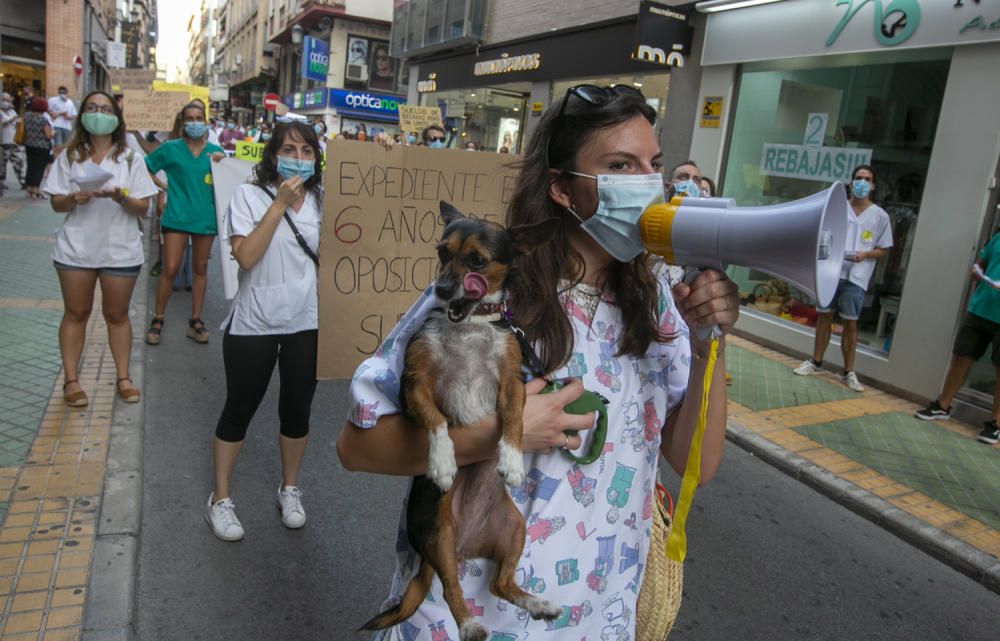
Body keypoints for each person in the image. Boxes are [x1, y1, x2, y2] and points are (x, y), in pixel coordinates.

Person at [337, 84, 738, 637]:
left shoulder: (659, 304)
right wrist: (504, 433)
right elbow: (356, 447)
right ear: (562, 189)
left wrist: (707, 341)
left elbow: (698, 459)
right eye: (620, 165)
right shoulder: (480, 294)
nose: (647, 184)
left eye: (654, 165)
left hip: (596, 619)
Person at [204, 120, 324, 540]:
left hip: (307, 323)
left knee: (297, 412)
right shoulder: (248, 196)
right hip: (253, 323)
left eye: (307, 150)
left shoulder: (324, 201)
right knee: (239, 409)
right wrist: (277, 207)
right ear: (273, 155)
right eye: (290, 149)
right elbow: (247, 257)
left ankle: (289, 488)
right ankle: (220, 498)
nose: (299, 157)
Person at [41, 90, 158, 406]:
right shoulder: (68, 155)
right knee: (76, 312)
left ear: (116, 117)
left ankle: (123, 378)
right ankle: (71, 381)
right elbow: (55, 203)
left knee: (117, 314)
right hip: (75, 249)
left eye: (106, 109)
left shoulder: (131, 157)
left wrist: (121, 197)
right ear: (82, 114)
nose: (99, 113)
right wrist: (72, 198)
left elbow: (142, 208)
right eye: (92, 107)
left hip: (120, 250)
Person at [794, 165, 892, 392]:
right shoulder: (838, 209)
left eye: (867, 179)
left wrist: (866, 255)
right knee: (824, 317)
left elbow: (884, 248)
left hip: (856, 276)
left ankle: (848, 371)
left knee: (850, 322)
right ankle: (816, 361)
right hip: (831, 271)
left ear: (873, 185)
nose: (862, 183)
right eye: (858, 178)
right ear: (851, 182)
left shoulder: (880, 216)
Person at [143, 102, 225, 346]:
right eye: (189, 118)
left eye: (199, 117)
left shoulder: (215, 151)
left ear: (206, 121)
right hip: (176, 217)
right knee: (170, 268)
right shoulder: (170, 148)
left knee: (200, 269)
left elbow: (228, 181)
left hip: (204, 219)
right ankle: (158, 318)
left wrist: (223, 163)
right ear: (183, 122)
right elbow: (145, 167)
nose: (194, 122)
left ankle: (195, 321)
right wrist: (162, 187)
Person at [916, 231, 1000, 445]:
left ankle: (995, 424)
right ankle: (942, 405)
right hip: (979, 309)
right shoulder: (998, 238)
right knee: (961, 356)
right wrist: (977, 271)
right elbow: (979, 264)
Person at [22, 97, 53, 200]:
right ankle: (35, 189)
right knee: (39, 168)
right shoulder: (43, 119)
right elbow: (48, 135)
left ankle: (28, 188)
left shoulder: (26, 116)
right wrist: (54, 133)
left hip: (29, 144)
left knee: (30, 166)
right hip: (42, 146)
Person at [0, 93, 25, 192]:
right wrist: (13, 119)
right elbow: (3, 123)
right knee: (2, 164)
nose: (6, 102)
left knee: (18, 161)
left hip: (13, 142)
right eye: (3, 99)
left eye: (7, 100)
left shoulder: (12, 112)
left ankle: (23, 182)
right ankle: (1, 182)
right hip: (3, 142)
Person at [48, 86, 77, 153]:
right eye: (60, 92)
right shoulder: (53, 100)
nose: (62, 94)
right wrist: (60, 114)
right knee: (57, 145)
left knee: (65, 146)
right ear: (58, 92)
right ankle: (56, 160)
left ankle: (62, 160)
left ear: (67, 93)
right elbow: (49, 111)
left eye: (64, 92)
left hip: (67, 127)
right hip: (56, 125)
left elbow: (74, 115)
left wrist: (68, 117)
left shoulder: (70, 102)